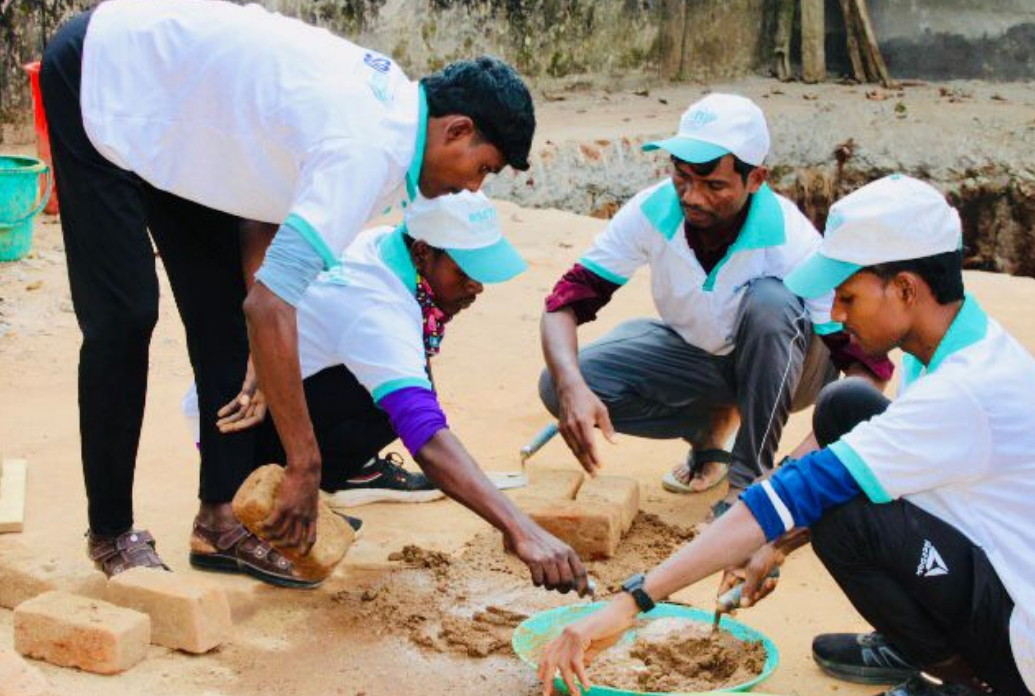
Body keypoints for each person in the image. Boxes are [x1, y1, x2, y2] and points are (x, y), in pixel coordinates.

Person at [40, 0, 536, 582]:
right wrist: (305, 463)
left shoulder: (391, 123)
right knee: (124, 316)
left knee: (227, 317)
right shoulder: (369, 148)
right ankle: (111, 532)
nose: (471, 186)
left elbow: (263, 212)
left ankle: (219, 519)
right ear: (458, 130)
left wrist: (258, 335)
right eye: (483, 167)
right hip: (105, 74)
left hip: (178, 112)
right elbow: (273, 305)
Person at [536, 175, 1035, 696]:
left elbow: (795, 493)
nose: (836, 315)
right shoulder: (950, 346)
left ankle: (966, 683)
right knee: (847, 407)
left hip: (1022, 638)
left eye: (848, 296)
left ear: (906, 289)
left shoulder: (963, 391)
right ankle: (932, 651)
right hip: (992, 563)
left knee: (844, 519)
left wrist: (628, 603)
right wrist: (771, 544)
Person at [197, 191, 590, 592]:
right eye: (465, 271)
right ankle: (265, 488)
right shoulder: (376, 309)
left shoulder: (387, 247)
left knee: (407, 385)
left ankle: (349, 471)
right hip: (241, 430)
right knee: (402, 401)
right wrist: (521, 529)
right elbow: (427, 439)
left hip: (278, 399)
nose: (476, 286)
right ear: (422, 252)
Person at [538, 93, 891, 521]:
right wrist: (573, 388)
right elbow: (565, 302)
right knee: (557, 384)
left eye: (714, 185)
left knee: (771, 303)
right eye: (682, 177)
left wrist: (807, 461)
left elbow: (866, 366)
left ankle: (749, 479)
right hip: (700, 359)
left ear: (756, 178)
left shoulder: (790, 240)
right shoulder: (653, 210)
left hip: (792, 371)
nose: (692, 197)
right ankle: (707, 427)